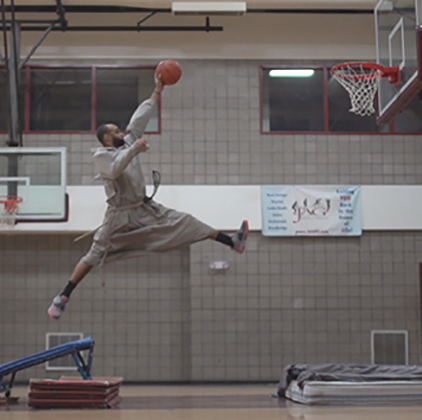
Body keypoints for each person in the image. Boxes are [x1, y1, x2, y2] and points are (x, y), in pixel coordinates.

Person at [47, 73, 249, 320]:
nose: (121, 130)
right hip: (119, 216)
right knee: (93, 256)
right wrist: (134, 149)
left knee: (186, 221)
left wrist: (157, 92)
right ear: (108, 138)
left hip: (144, 208)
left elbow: (138, 119)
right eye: (115, 130)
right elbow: (115, 169)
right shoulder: (101, 155)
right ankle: (63, 297)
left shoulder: (129, 140)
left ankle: (232, 242)